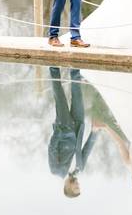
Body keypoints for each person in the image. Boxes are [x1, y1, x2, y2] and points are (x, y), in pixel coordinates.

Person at [47, 67, 101, 198]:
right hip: (78, 125)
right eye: (79, 187)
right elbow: (87, 150)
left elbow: (52, 148)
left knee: (59, 95)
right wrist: (94, 132)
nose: (78, 185)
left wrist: (59, 130)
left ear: (67, 187)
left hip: (64, 126)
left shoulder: (56, 170)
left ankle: (53, 66)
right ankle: (74, 68)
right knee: (77, 94)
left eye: (75, 187)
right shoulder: (80, 168)